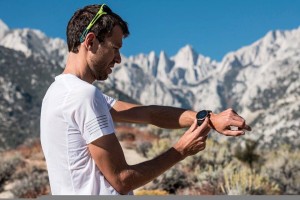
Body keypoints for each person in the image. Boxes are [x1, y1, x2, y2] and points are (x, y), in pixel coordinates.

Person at [40, 4, 251, 195]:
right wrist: (180, 151)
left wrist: (210, 118)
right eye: (115, 48)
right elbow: (122, 180)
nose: (119, 59)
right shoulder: (82, 96)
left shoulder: (58, 93)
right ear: (91, 41)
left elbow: (148, 113)